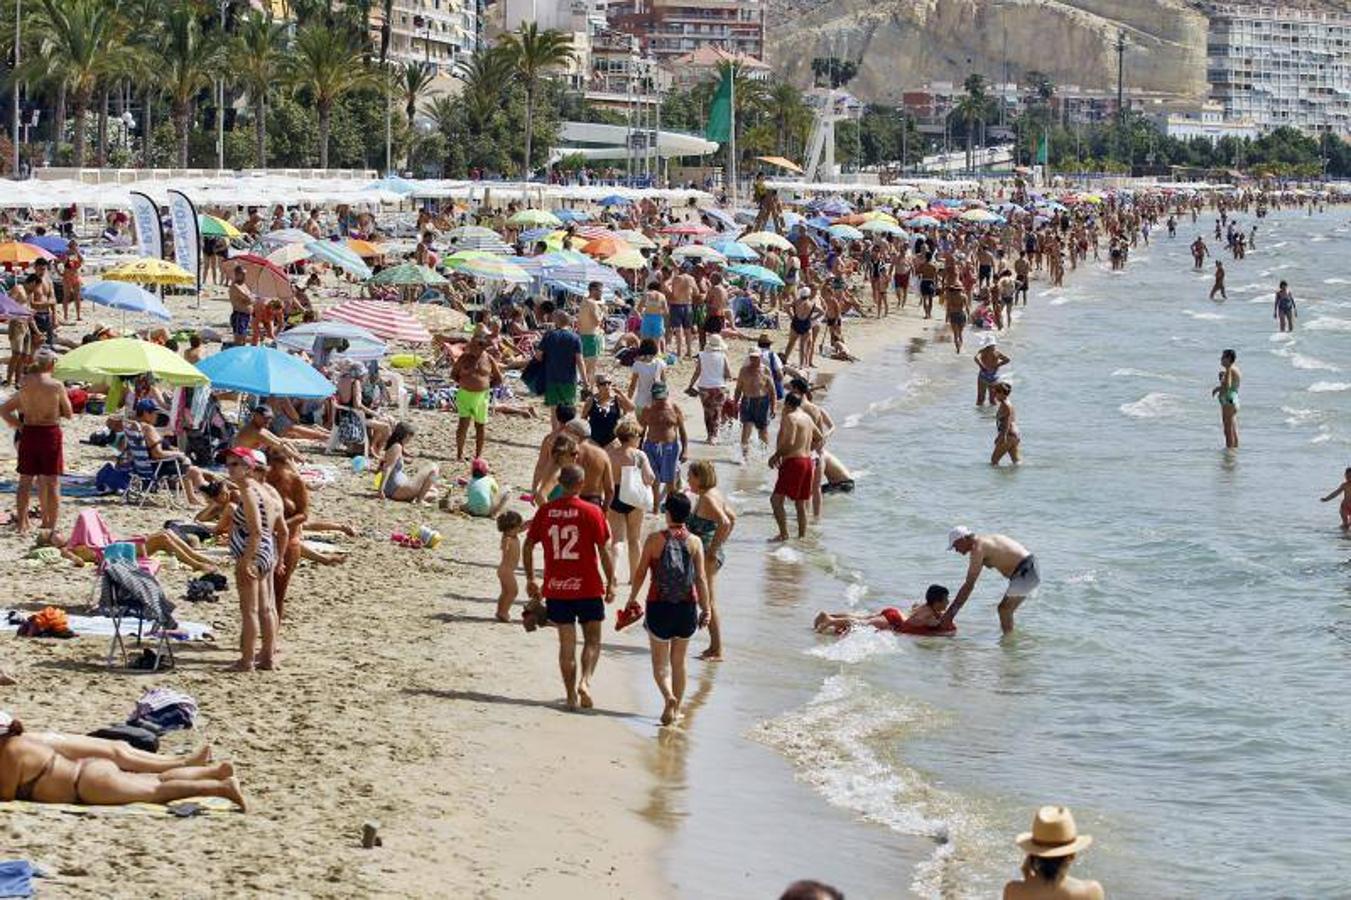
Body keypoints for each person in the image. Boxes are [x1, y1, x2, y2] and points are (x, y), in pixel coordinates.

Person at [0, 715, 246, 810]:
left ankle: (221, 787)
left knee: (158, 790)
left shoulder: (11, 753)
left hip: (87, 785)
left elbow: (6, 794)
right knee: (155, 780)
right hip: (90, 771)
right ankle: (214, 771)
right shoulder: (22, 743)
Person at [523, 464, 616, 711]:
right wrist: (611, 582)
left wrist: (531, 577)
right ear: (581, 484)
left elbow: (528, 544)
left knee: (566, 645)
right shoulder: (592, 511)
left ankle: (570, 696)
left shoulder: (546, 511)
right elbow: (604, 550)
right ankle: (585, 682)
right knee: (593, 640)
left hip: (557, 587)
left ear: (561, 484)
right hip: (587, 586)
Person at [622, 492, 710, 725]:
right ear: (688, 514)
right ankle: (676, 709)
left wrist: (632, 597)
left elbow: (640, 572)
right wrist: (707, 608)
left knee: (660, 663)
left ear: (668, 513)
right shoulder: (695, 542)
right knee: (679, 662)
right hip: (686, 607)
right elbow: (700, 579)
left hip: (658, 606)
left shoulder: (653, 540)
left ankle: (668, 696)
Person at [225, 447, 287, 672]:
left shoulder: (249, 491)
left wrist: (247, 559)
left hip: (253, 550)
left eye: (235, 465)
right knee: (266, 607)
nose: (229, 469)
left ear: (248, 468)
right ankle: (268, 658)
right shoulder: (264, 489)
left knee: (249, 610)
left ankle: (247, 660)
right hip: (266, 549)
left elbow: (257, 530)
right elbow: (275, 526)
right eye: (229, 464)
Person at [0, 349, 72, 534]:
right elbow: (69, 413)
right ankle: (51, 524)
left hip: (30, 431)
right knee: (52, 481)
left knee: (25, 480)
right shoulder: (56, 385)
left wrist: (19, 426)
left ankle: (22, 523)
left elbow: (5, 410)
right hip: (49, 432)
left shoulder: (25, 383)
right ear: (51, 364)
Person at [941, 528, 1039, 634]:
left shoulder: (978, 549)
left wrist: (950, 614)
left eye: (955, 546)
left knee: (1005, 610)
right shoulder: (985, 541)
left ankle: (1009, 644)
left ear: (963, 539)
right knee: (1005, 609)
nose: (956, 550)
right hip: (1029, 567)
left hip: (1026, 570)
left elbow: (969, 585)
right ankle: (1009, 641)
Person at [686, 460, 735, 661]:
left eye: (690, 475)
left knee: (709, 602)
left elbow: (724, 522)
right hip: (710, 553)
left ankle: (717, 650)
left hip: (707, 556)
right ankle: (713, 647)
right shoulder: (714, 493)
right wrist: (720, 543)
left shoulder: (707, 498)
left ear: (699, 477)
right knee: (707, 600)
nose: (688, 479)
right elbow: (732, 518)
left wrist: (713, 549)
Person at [1003, 806, 1103, 900]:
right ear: (1072, 855)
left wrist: (1027, 877)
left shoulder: (1013, 890)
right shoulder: (1091, 891)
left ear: (1033, 855)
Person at [604, 417, 654, 582]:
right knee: (634, 539)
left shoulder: (611, 454)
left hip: (615, 495)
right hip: (634, 497)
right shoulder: (639, 455)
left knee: (617, 539)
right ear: (632, 437)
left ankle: (613, 574)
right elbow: (649, 478)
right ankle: (634, 577)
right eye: (638, 436)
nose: (640, 439)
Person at [132, 399, 208, 505]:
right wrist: (178, 454)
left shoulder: (135, 427)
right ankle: (211, 499)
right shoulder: (148, 429)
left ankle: (192, 498)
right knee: (195, 471)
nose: (156, 416)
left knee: (190, 469)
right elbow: (157, 454)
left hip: (141, 467)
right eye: (154, 413)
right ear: (146, 413)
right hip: (156, 467)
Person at [769, 393, 821, 542]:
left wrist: (776, 455)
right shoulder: (807, 418)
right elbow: (820, 437)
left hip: (794, 462)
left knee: (775, 500)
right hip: (807, 462)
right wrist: (806, 448)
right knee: (800, 503)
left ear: (787, 404)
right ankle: (802, 537)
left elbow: (790, 443)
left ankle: (784, 534)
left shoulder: (790, 417)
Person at [264, 450, 309, 620]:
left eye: (278, 467)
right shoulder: (263, 480)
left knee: (279, 591)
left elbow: (303, 514)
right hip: (264, 538)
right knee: (261, 591)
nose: (274, 471)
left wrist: (281, 526)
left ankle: (273, 632)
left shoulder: (295, 482)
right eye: (272, 467)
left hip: (289, 539)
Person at [450, 328, 503, 460]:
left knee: (480, 426)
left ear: (483, 346)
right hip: (465, 395)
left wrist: (485, 387)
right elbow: (453, 374)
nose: (473, 347)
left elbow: (499, 378)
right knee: (463, 425)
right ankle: (459, 454)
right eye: (472, 344)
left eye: (476, 344)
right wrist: (465, 381)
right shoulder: (464, 358)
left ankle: (478, 455)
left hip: (482, 396)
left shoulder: (489, 359)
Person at [813, 584, 950, 635]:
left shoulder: (924, 606)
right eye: (946, 600)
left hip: (894, 613)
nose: (948, 602)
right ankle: (830, 621)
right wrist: (938, 623)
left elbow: (914, 607)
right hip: (895, 621)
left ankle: (829, 616)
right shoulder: (930, 615)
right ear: (937, 602)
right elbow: (930, 624)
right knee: (862, 624)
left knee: (862, 618)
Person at [639, 382, 688, 514]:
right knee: (654, 479)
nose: (659, 401)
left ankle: (671, 511)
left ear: (667, 394)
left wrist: (685, 450)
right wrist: (638, 450)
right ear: (653, 396)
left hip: (670, 448)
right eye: (657, 398)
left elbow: (682, 431)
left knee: (670, 481)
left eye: (662, 397)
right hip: (650, 447)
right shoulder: (647, 409)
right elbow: (641, 432)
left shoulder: (674, 408)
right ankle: (655, 510)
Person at [536, 310, 587, 414]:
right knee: (568, 410)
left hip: (551, 378)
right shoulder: (575, 338)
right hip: (569, 379)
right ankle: (565, 430)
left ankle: (556, 430)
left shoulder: (549, 335)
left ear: (556, 321)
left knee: (554, 411)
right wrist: (585, 381)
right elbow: (580, 361)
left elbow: (538, 356)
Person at [687, 333, 732, 443]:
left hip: (704, 388)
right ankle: (714, 436)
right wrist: (727, 377)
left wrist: (690, 385)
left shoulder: (702, 355)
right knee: (717, 412)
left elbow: (697, 372)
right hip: (719, 387)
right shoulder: (722, 356)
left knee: (707, 412)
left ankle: (709, 435)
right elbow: (728, 373)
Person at [379, 422, 439, 503]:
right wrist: (380, 490)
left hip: (398, 488)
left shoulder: (395, 446)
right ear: (407, 436)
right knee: (433, 467)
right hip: (397, 489)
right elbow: (388, 468)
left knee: (434, 492)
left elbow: (384, 465)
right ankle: (420, 500)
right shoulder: (397, 447)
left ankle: (417, 498)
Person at [580, 372, 632, 450]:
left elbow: (631, 408)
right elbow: (583, 419)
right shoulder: (591, 400)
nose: (607, 386)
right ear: (597, 386)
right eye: (603, 384)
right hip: (594, 441)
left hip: (612, 441)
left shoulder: (617, 400)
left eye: (609, 383)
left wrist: (621, 393)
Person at [495, 510, 525, 622]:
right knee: (513, 591)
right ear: (510, 528)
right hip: (506, 571)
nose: (520, 529)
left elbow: (524, 527)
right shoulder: (507, 538)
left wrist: (532, 522)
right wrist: (505, 545)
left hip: (505, 570)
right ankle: (504, 612)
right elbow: (504, 544)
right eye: (518, 527)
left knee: (505, 592)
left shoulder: (513, 534)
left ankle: (500, 611)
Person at [1211, 348, 1240, 450]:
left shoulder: (1230, 369)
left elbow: (1227, 386)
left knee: (1227, 430)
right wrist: (1223, 376)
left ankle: (1229, 455)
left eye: (1223, 357)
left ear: (1228, 359)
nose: (1221, 359)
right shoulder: (1233, 369)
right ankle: (1234, 452)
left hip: (1228, 401)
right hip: (1233, 400)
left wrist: (1217, 389)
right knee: (1233, 429)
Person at [626, 338, 666, 414]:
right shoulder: (660, 363)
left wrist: (628, 400)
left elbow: (632, 386)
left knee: (641, 425)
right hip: (656, 401)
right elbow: (663, 382)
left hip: (641, 401)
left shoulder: (637, 365)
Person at [577, 281, 606, 384]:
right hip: (592, 336)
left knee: (584, 366)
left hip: (582, 336)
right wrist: (602, 312)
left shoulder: (583, 302)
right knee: (591, 368)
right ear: (593, 290)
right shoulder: (592, 304)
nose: (601, 294)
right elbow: (596, 322)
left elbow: (579, 322)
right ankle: (589, 389)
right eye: (600, 291)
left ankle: (585, 387)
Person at [991, 382, 1022, 466]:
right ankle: (1013, 478)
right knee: (1016, 462)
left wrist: (1002, 436)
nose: (994, 395)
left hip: (1008, 435)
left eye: (996, 392)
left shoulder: (1005, 405)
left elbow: (1007, 421)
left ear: (1002, 393)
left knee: (994, 461)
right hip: (1015, 435)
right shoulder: (1008, 403)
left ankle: (997, 479)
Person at [975, 339, 1011, 406]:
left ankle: (980, 416)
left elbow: (975, 358)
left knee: (980, 399)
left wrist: (981, 366)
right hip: (994, 377)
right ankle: (992, 415)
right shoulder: (997, 352)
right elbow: (1007, 360)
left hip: (983, 375)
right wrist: (997, 365)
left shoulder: (983, 351)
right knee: (993, 400)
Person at [228, 265, 254, 346]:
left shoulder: (244, 285)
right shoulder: (235, 286)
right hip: (239, 314)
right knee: (239, 338)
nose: (244, 276)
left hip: (246, 314)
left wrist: (249, 299)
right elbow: (250, 298)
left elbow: (251, 298)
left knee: (244, 337)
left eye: (244, 274)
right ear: (237, 274)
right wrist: (249, 299)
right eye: (242, 274)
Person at [60, 240, 83, 322]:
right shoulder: (65, 254)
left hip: (75, 276)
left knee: (77, 296)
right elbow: (59, 263)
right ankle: (65, 315)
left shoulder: (77, 254)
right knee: (66, 296)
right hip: (67, 276)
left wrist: (77, 253)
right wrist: (59, 272)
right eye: (73, 246)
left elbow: (81, 261)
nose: (75, 247)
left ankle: (78, 315)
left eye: (75, 246)